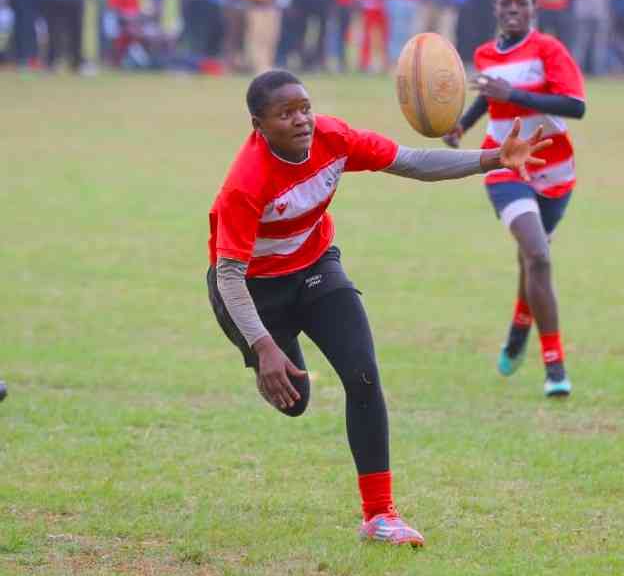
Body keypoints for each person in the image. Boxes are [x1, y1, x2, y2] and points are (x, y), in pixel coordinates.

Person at [207, 69, 551, 546]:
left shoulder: (334, 137)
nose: (302, 119)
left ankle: (379, 515)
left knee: (363, 374)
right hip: (252, 290)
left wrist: (492, 158)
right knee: (295, 402)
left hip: (314, 268)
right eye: (285, 114)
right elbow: (227, 277)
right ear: (258, 124)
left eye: (304, 107)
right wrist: (262, 346)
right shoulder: (246, 183)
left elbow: (411, 161)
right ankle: (270, 359)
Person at [443, 0, 586, 398]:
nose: (512, 10)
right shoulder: (485, 54)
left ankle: (520, 324)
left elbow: (575, 105)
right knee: (538, 256)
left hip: (555, 171)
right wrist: (463, 126)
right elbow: (490, 97)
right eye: (505, 3)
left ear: (533, 10)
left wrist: (516, 92)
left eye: (520, 3)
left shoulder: (548, 50)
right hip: (504, 164)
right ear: (496, 9)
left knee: (531, 261)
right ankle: (555, 365)